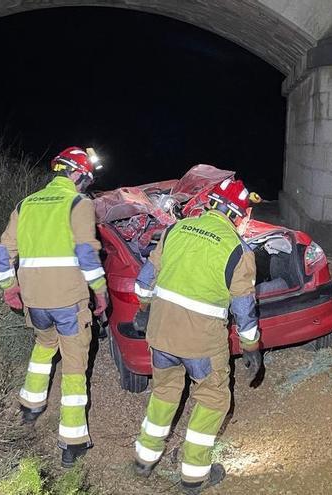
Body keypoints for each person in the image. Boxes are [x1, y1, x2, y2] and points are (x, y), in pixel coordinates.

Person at [130, 178, 262, 494]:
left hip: (161, 335)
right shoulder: (238, 250)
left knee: (164, 392)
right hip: (201, 343)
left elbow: (144, 280)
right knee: (214, 399)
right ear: (239, 216)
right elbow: (244, 310)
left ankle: (144, 460)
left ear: (210, 204)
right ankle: (193, 474)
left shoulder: (175, 230)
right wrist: (252, 347)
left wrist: (145, 308)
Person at [0, 146, 109, 466]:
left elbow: (4, 251)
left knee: (44, 348)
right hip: (69, 301)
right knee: (74, 366)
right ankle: (72, 442)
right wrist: (101, 292)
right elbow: (87, 255)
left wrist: (9, 288)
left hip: (35, 302)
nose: (84, 185)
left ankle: (30, 408)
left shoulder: (26, 204)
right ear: (77, 175)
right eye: (85, 179)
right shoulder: (78, 203)